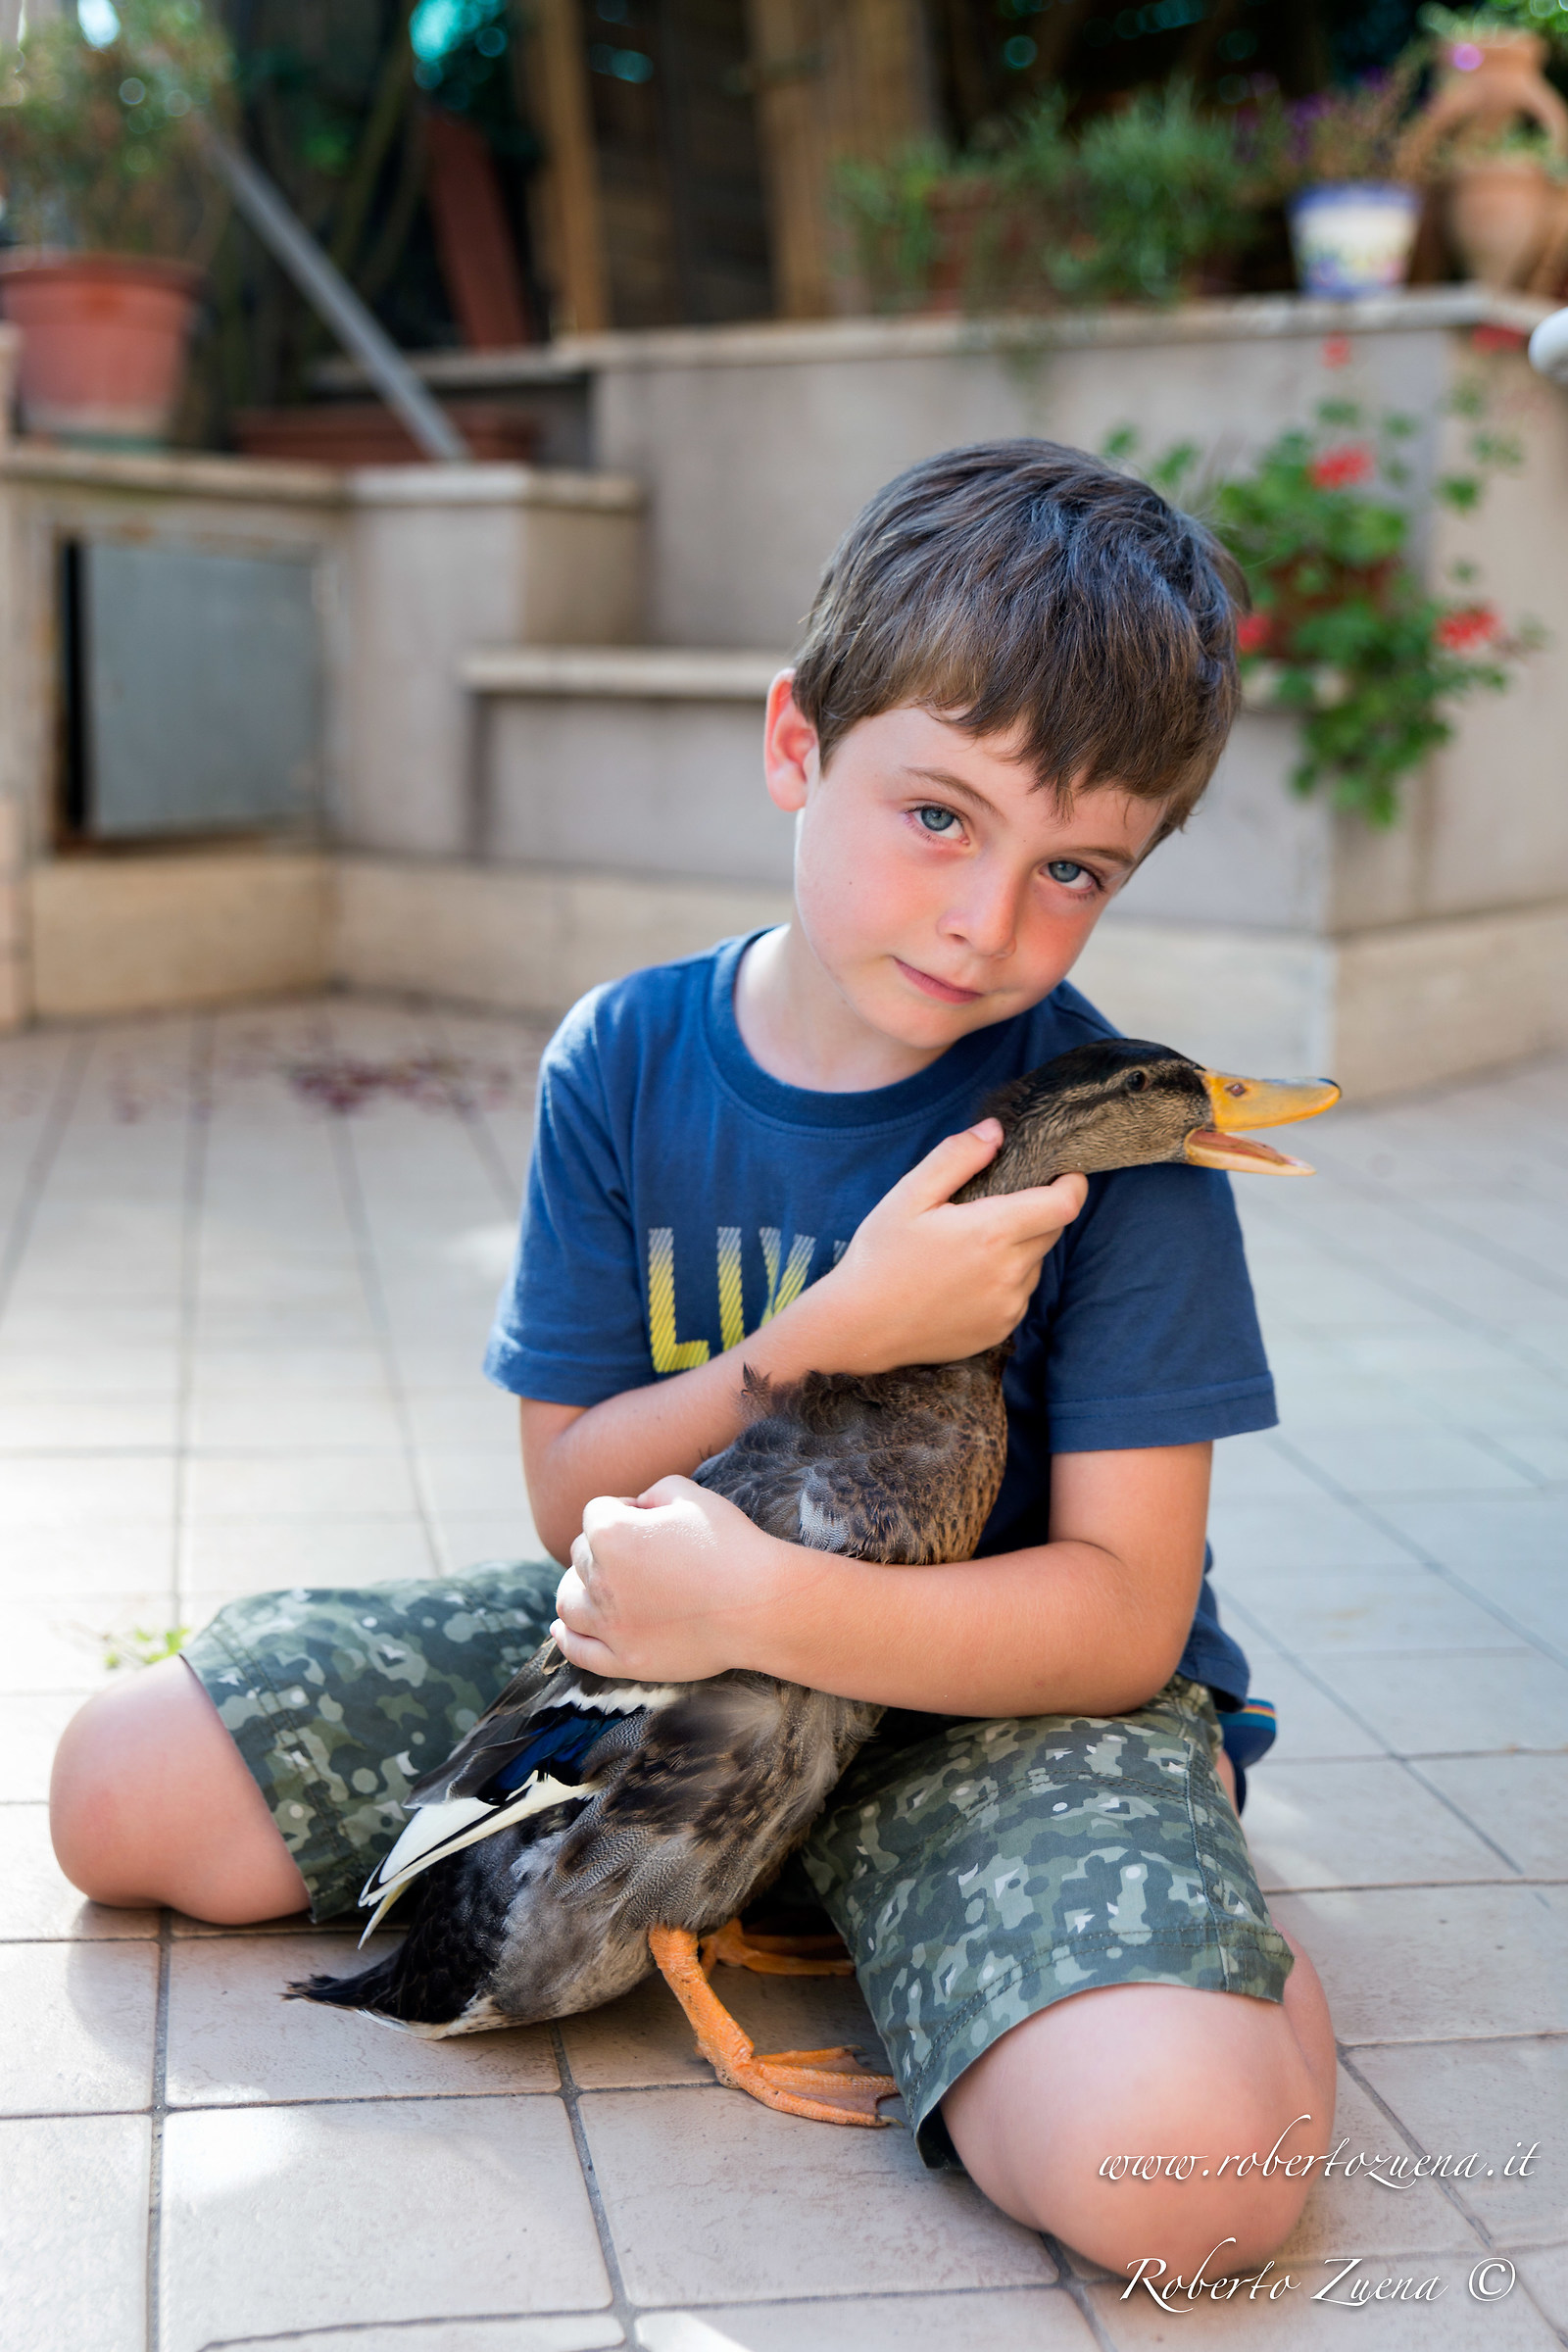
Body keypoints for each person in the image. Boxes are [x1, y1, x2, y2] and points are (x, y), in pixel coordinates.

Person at [51, 440, 1336, 2277]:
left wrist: (762, 1615)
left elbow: (1124, 1619)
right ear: (797, 747)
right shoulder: (630, 1058)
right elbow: (577, 1489)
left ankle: (1185, 1948)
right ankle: (789, 1878)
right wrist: (826, 1340)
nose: (989, 920)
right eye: (940, 818)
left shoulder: (1116, 1151)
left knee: (1188, 2188)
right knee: (124, 1789)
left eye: (1075, 869)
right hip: (666, 1661)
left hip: (1002, 1701)